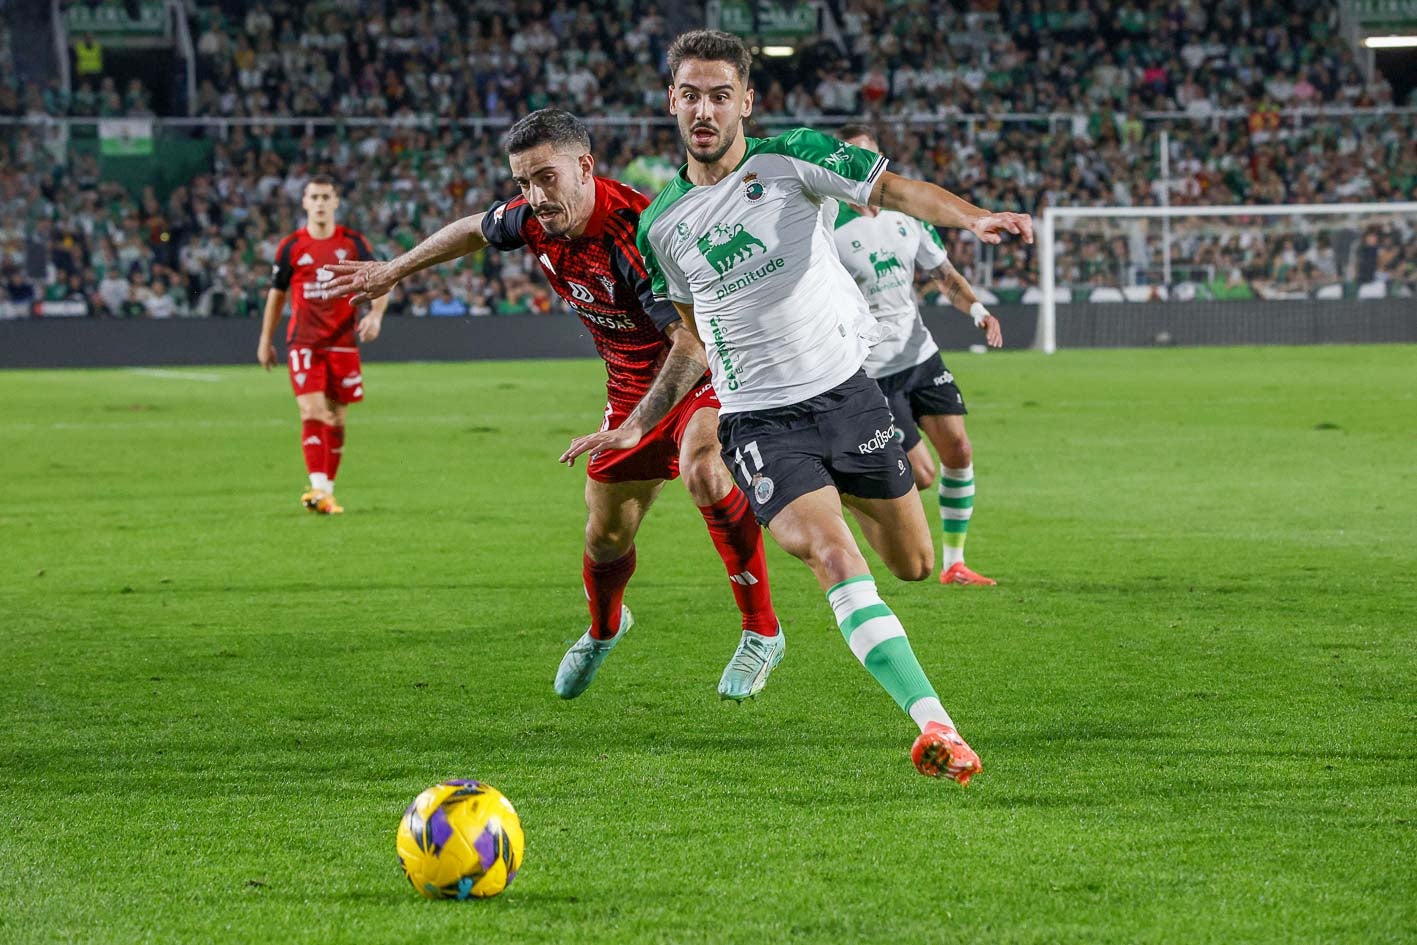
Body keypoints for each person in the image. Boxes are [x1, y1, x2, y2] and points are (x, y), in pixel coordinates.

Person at [629, 30, 1031, 783]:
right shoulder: (662, 226)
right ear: (671, 103)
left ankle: (851, 489)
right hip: (761, 421)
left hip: (848, 394)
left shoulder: (793, 158)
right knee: (832, 554)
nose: (704, 110)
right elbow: (688, 332)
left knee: (910, 564)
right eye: (690, 95)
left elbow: (896, 191)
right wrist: (648, 416)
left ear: (746, 100)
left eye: (720, 94)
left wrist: (971, 217)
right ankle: (934, 724)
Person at [324, 109, 783, 702]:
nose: (534, 196)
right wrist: (394, 269)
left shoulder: (638, 235)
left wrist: (637, 425)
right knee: (605, 536)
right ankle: (605, 627)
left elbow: (692, 345)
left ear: (584, 167)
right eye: (522, 182)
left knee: (703, 466)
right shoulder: (538, 220)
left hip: (702, 374)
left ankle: (760, 629)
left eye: (546, 178)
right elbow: (472, 228)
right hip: (627, 391)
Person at [829, 123, 1002, 587]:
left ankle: (955, 564)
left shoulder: (909, 217)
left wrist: (979, 310)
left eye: (867, 155)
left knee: (959, 450)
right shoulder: (827, 226)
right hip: (873, 372)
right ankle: (836, 484)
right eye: (849, 157)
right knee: (921, 476)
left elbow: (942, 275)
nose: (859, 165)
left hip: (921, 355)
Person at [257, 175, 387, 515]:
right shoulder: (290, 247)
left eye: (324, 197)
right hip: (304, 342)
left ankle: (326, 492)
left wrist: (374, 316)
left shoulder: (353, 243)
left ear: (335, 202)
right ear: (304, 202)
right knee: (312, 412)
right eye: (313, 196)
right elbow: (277, 294)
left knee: (337, 418)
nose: (318, 202)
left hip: (343, 341)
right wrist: (265, 338)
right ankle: (316, 487)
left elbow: (382, 279)